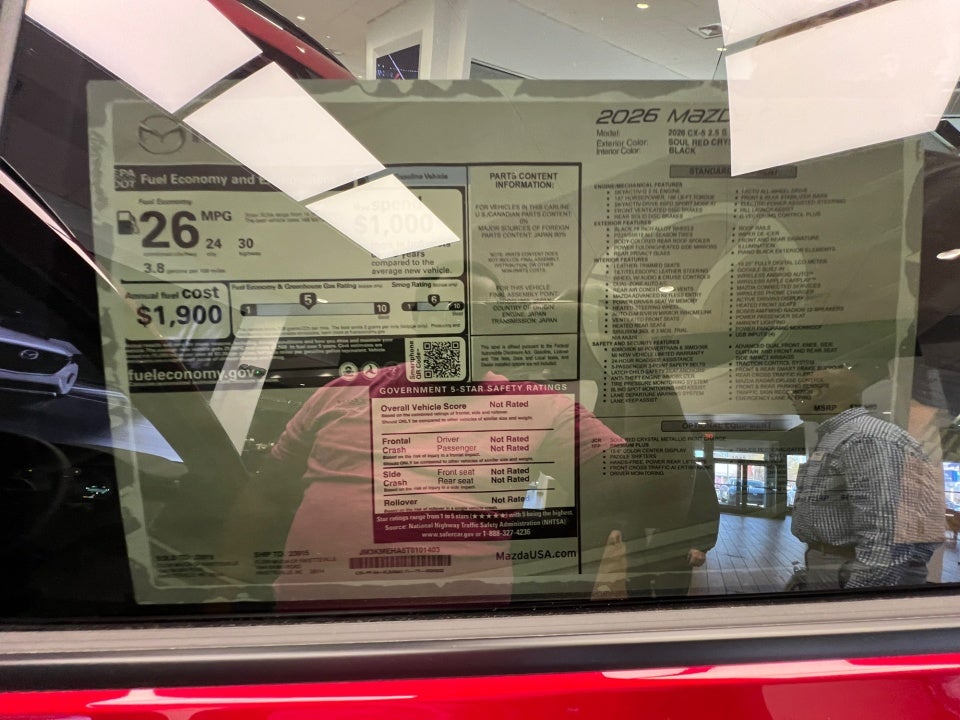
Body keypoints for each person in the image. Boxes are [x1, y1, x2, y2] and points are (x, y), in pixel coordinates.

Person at [788, 366, 943, 590]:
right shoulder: (843, 436)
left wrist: (859, 597)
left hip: (850, 571)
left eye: (798, 392)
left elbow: (886, 535)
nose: (793, 400)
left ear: (821, 393)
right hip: (839, 567)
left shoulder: (865, 439)